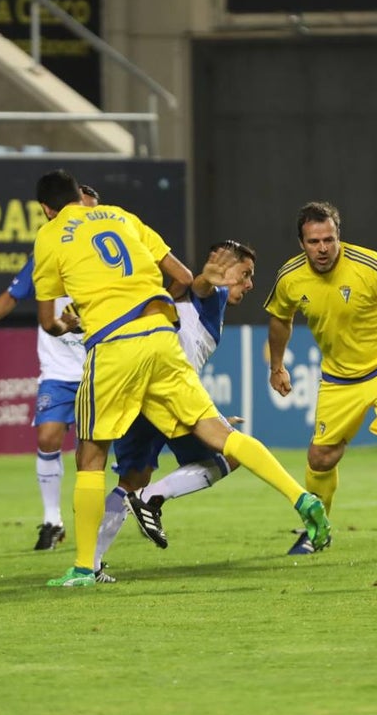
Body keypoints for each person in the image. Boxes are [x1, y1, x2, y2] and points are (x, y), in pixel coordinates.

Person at [31, 169, 331, 587]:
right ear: (81, 198)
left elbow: (48, 320)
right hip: (159, 336)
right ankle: (302, 498)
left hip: (115, 347)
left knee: (90, 456)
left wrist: (70, 323)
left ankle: (84, 568)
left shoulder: (49, 236)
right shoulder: (120, 216)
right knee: (221, 437)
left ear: (47, 208)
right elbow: (186, 278)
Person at [264, 201, 377, 561]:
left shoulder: (369, 265)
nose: (323, 248)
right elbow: (280, 319)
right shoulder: (289, 277)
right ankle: (317, 532)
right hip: (339, 376)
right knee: (321, 457)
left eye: (329, 239)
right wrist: (277, 366)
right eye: (314, 242)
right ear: (301, 243)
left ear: (338, 237)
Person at [92, 241, 256, 574]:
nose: (250, 284)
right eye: (246, 273)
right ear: (224, 267)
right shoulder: (214, 296)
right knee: (233, 454)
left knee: (131, 479)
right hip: (168, 397)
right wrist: (209, 279)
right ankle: (153, 498)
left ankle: (88, 564)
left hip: (140, 392)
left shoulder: (174, 302)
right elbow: (201, 286)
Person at [0, 185, 100, 553]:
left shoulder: (108, 255)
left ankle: (93, 526)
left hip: (100, 368)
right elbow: (14, 293)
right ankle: (52, 520)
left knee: (91, 453)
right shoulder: (48, 252)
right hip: (58, 370)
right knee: (47, 437)